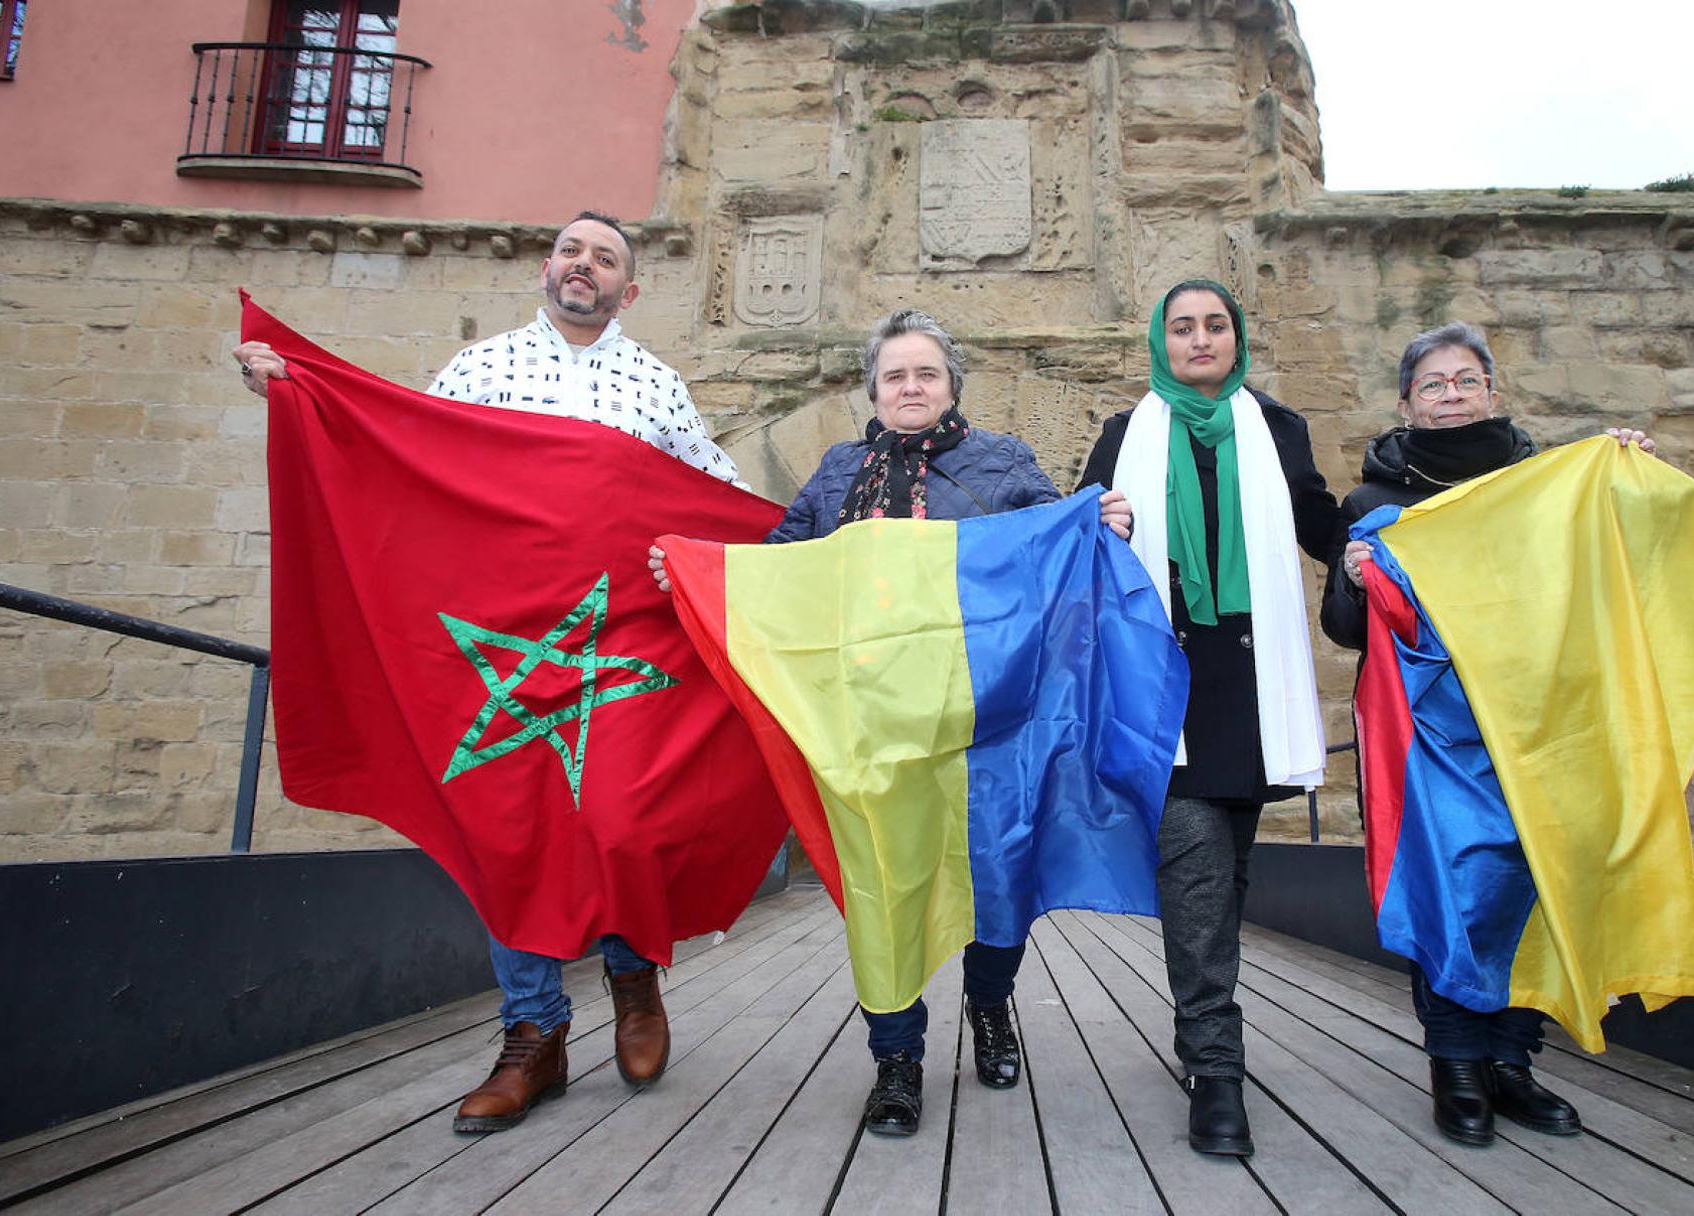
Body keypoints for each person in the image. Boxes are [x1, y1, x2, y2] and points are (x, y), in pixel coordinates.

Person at [235, 210, 744, 1134]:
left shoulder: (656, 384)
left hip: (618, 636)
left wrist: (811, 535)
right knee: (506, 828)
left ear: (628, 290)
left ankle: (633, 976)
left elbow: (715, 488)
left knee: (620, 815)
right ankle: (534, 1035)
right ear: (548, 268)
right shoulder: (481, 369)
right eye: (572, 250)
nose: (583, 265)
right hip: (496, 638)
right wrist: (299, 388)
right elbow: (400, 449)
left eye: (606, 258)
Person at [652, 307, 1131, 1138]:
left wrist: (1097, 528)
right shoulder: (840, 473)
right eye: (895, 375)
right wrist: (696, 570)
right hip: (872, 726)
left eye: (927, 374)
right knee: (883, 890)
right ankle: (897, 1059)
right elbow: (780, 568)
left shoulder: (1004, 462)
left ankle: (990, 1006)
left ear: (951, 386)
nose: (911, 388)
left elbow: (1052, 548)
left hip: (988, 720)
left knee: (996, 879)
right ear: (873, 390)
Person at [1319, 320, 1652, 1148]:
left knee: (1534, 879)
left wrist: (1625, 476)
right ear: (1407, 403)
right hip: (1428, 733)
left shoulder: (1546, 486)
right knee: (1446, 887)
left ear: (1492, 392)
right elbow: (1343, 626)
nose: (1452, 395)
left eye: (1466, 380)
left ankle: (1513, 1061)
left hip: (1535, 723)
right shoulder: (1373, 503)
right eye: (1434, 384)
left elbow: (1611, 565)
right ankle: (1456, 1064)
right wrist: (1357, 579)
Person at [1078, 279, 1343, 1158]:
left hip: (1255, 687)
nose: (1199, 340)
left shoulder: (1279, 428)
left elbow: (1328, 531)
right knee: (1194, 877)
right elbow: (1080, 539)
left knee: (1224, 876)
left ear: (1237, 339)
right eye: (1182, 328)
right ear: (1161, 341)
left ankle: (1202, 1041)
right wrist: (1099, 519)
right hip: (1170, 683)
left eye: (1215, 326)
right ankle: (1217, 1069)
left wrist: (1403, 516)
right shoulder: (1126, 434)